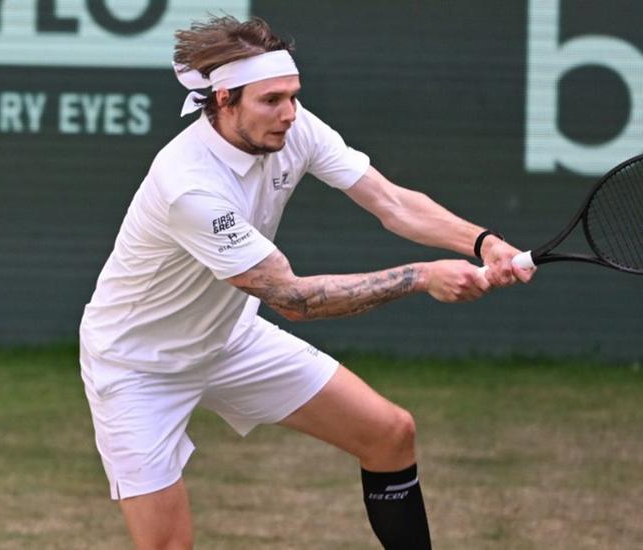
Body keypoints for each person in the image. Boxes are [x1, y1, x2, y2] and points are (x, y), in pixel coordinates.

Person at [79, 15, 535, 550]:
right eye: (270, 100)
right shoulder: (189, 187)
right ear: (224, 99)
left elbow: (390, 201)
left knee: (391, 434)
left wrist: (484, 243)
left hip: (228, 338)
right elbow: (293, 298)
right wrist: (421, 276)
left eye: (293, 96)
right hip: (138, 365)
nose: (289, 114)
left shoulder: (294, 129)